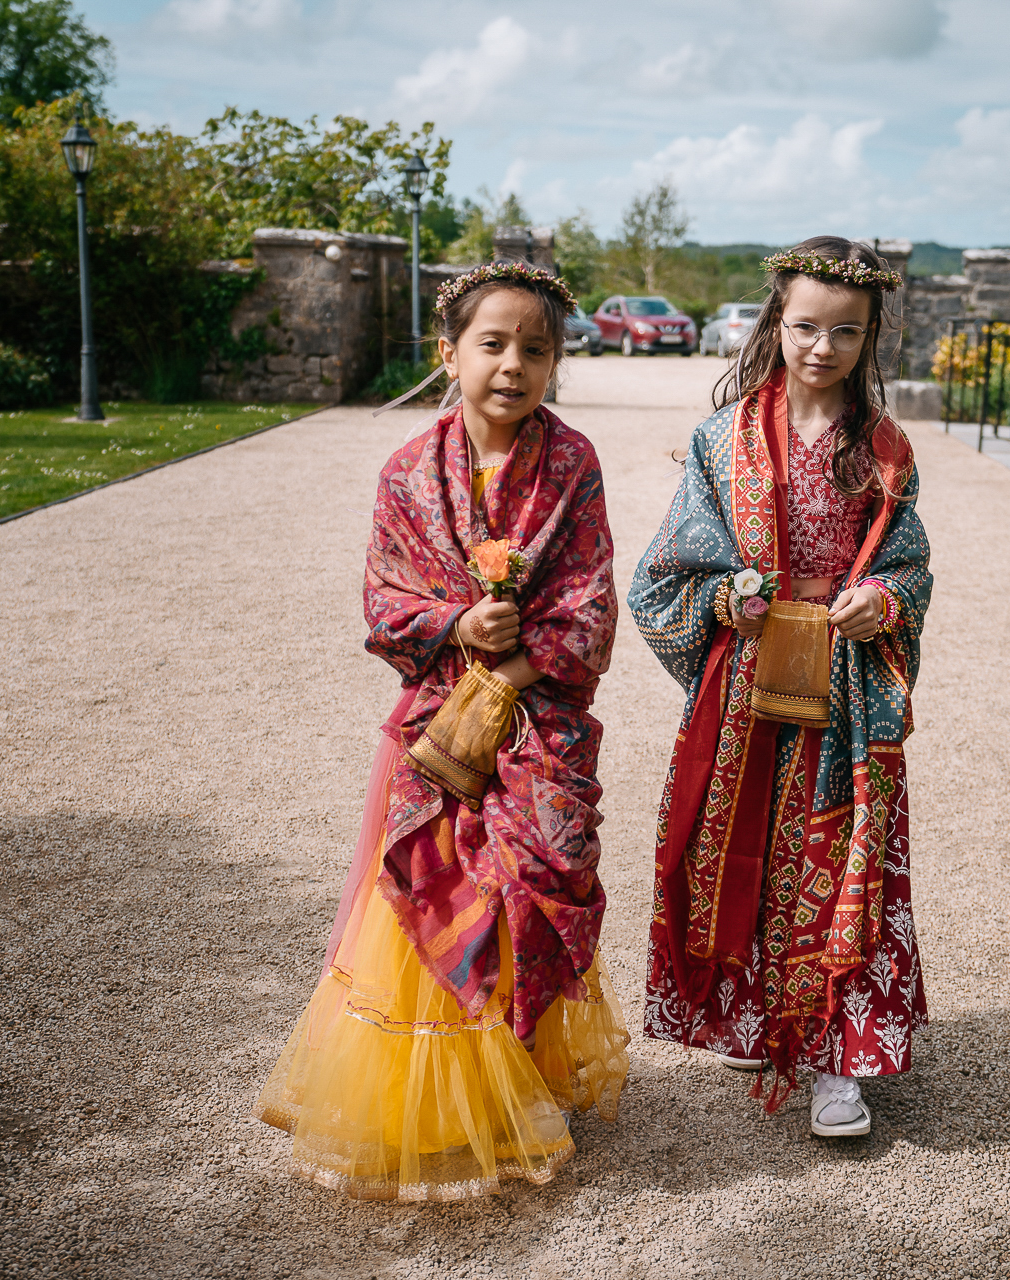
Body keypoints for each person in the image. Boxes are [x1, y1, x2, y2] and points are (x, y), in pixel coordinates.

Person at [257, 262, 628, 1200]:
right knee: (432, 888)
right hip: (436, 736)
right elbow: (383, 604)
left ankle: (519, 1072)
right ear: (449, 353)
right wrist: (457, 627)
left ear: (554, 362)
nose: (514, 365)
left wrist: (507, 670)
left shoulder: (573, 465)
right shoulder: (406, 473)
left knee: (533, 883)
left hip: (537, 721)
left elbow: (589, 604)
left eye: (536, 349)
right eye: (493, 344)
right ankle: (437, 1099)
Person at [629, 236, 931, 1138]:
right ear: (777, 322)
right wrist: (726, 594)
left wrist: (881, 598)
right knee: (749, 856)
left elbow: (911, 564)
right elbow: (661, 574)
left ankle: (843, 1062)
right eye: (806, 326)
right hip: (748, 685)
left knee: (847, 862)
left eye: (847, 331)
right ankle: (762, 1021)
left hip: (844, 695)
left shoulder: (882, 447)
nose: (822, 348)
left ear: (871, 337)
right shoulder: (719, 440)